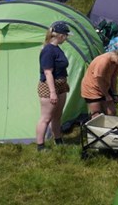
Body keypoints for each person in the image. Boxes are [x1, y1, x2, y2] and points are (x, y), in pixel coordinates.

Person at [36, 21, 72, 150]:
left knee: (57, 116)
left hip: (61, 84)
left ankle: (58, 140)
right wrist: (52, 92)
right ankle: (40, 146)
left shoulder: (57, 48)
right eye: (66, 35)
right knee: (46, 118)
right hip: (49, 86)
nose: (67, 38)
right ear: (60, 36)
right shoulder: (48, 50)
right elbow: (47, 72)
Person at [81, 46, 118, 117]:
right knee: (96, 115)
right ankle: (94, 126)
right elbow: (99, 80)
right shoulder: (103, 61)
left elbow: (113, 77)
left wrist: (114, 93)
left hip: (105, 87)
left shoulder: (117, 62)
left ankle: (109, 127)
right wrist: (106, 95)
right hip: (92, 88)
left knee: (111, 112)